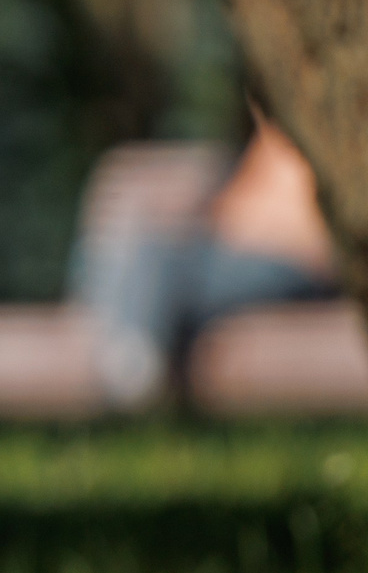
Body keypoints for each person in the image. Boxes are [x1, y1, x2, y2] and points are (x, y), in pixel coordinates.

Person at [77, 112, 341, 408]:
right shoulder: (290, 117)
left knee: (158, 256)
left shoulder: (331, 125)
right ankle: (128, 362)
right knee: (144, 239)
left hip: (290, 259)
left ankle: (130, 372)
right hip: (237, 245)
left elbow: (312, 234)